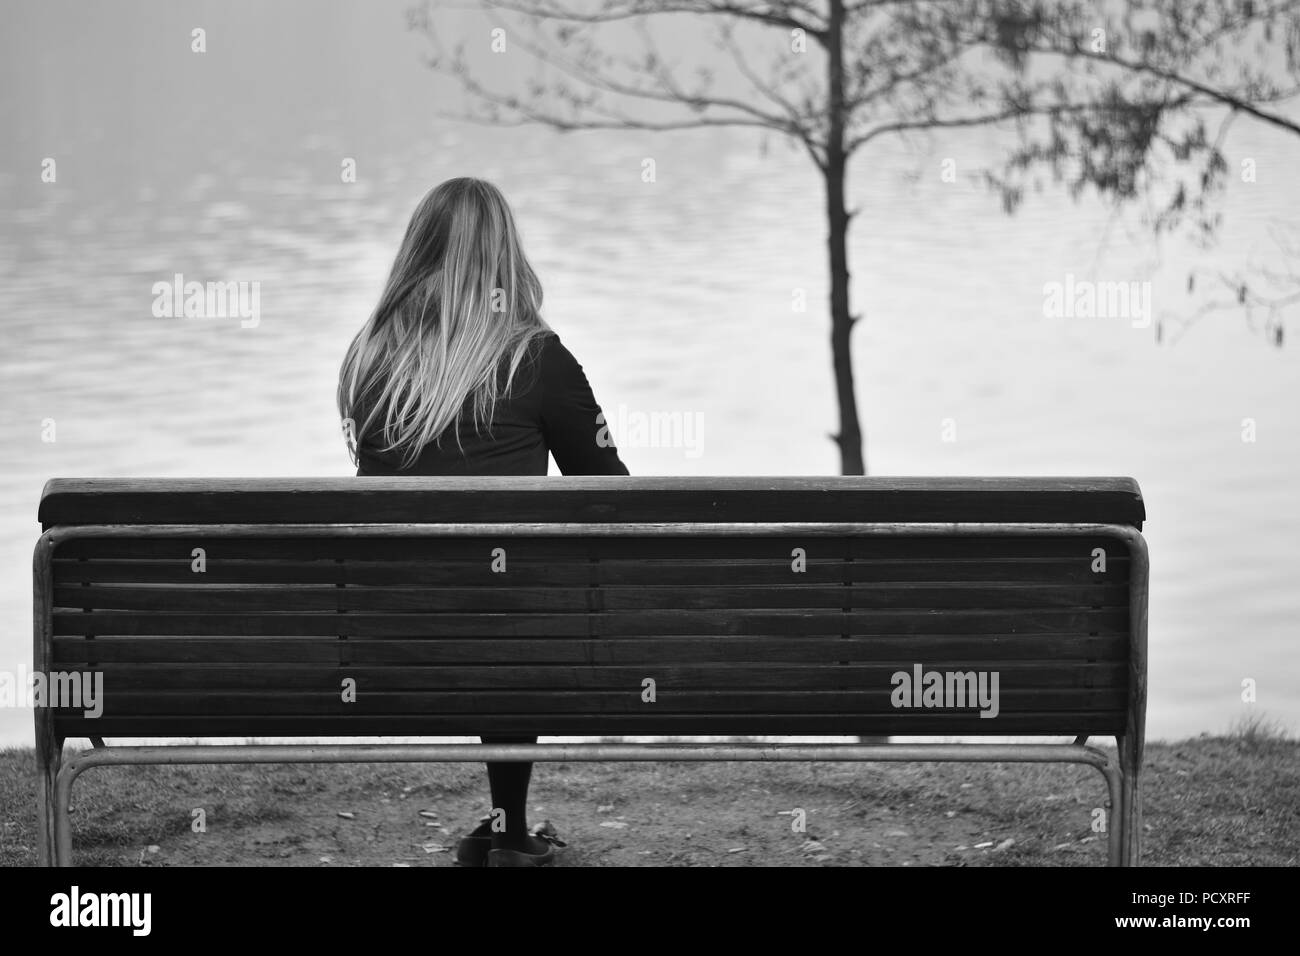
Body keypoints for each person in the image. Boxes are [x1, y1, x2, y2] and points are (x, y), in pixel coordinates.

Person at [336, 177, 629, 866]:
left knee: (494, 604)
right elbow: (614, 498)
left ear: (416, 256)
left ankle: (508, 828)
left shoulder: (369, 362)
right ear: (505, 258)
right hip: (506, 640)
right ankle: (510, 831)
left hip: (389, 641)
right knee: (511, 608)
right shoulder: (538, 359)